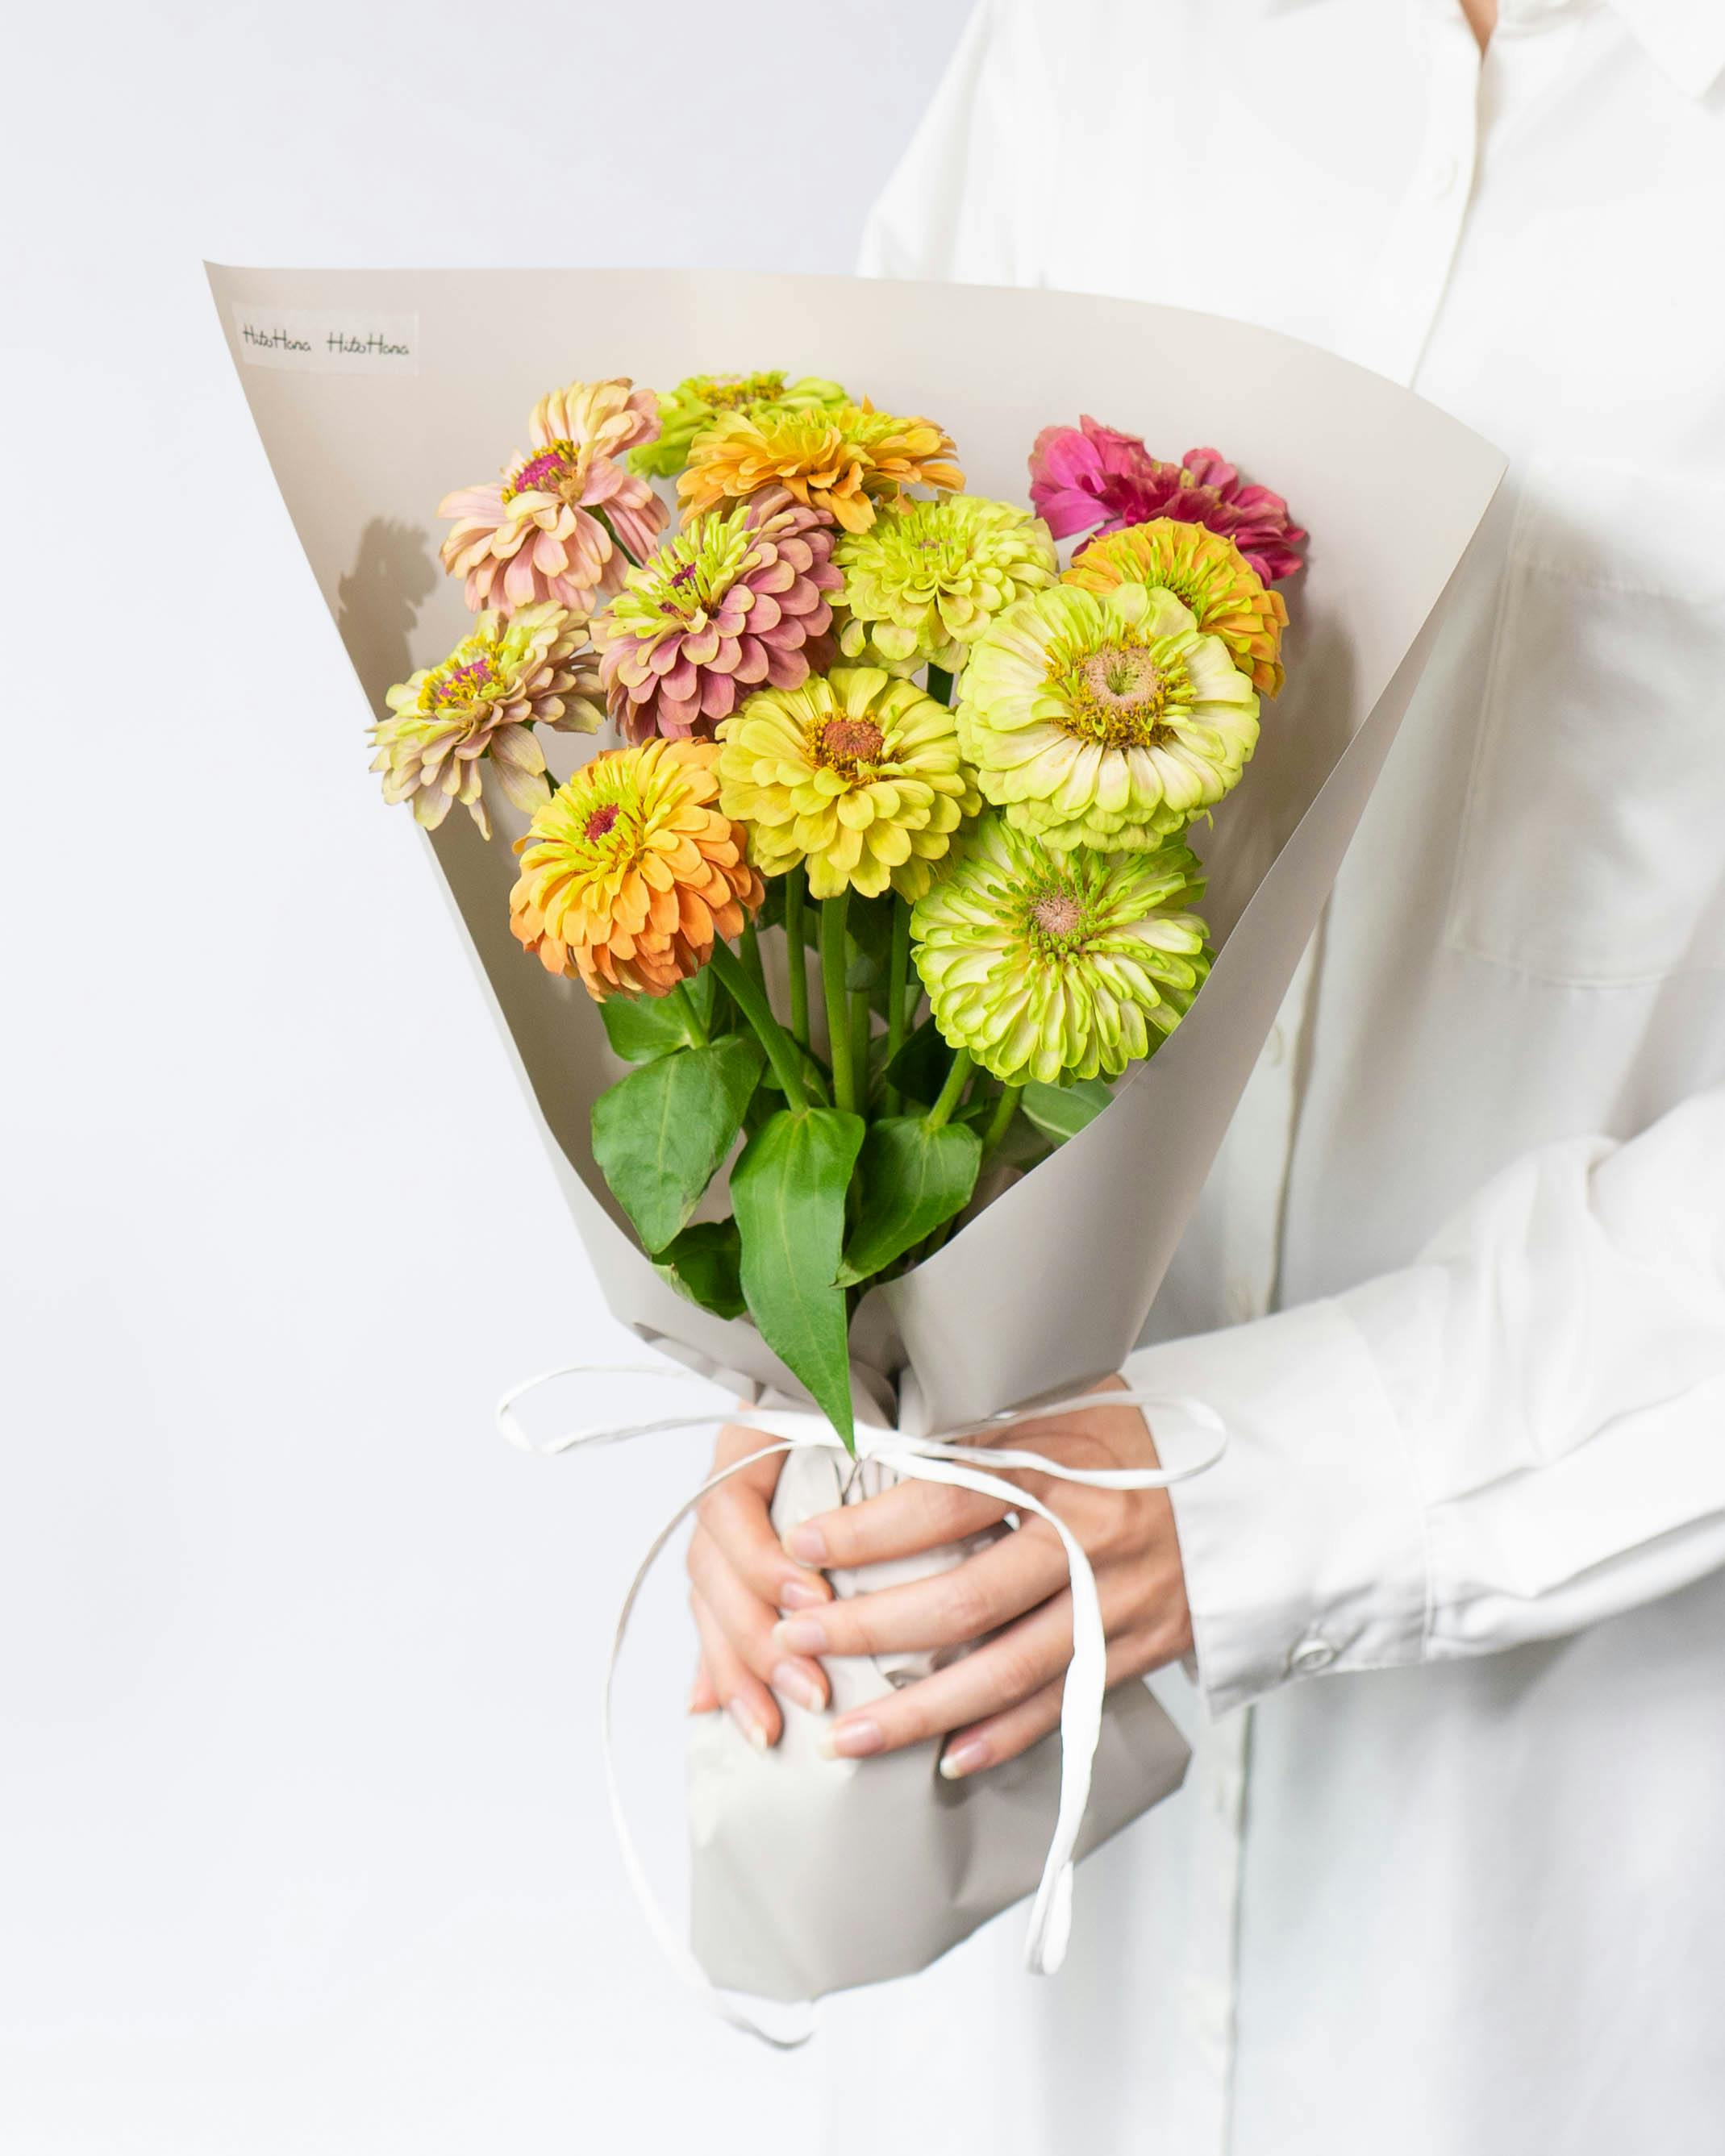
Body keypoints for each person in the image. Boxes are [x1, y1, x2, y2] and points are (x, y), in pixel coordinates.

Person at [686, 4, 1725, 2149]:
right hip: (986, 1800)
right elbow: (834, 688)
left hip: (1580, 1883)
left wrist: (1264, 1487)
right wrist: (788, 1329)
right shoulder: (1088, 54)